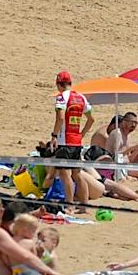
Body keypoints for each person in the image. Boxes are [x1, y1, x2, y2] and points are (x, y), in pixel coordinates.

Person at [49, 70, 93, 208]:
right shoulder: (81, 97)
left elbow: (61, 118)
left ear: (58, 84)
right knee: (77, 174)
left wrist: (54, 135)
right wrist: (81, 134)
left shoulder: (61, 97)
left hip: (64, 141)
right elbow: (91, 119)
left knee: (65, 174)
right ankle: (84, 206)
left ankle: (70, 205)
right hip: (76, 141)